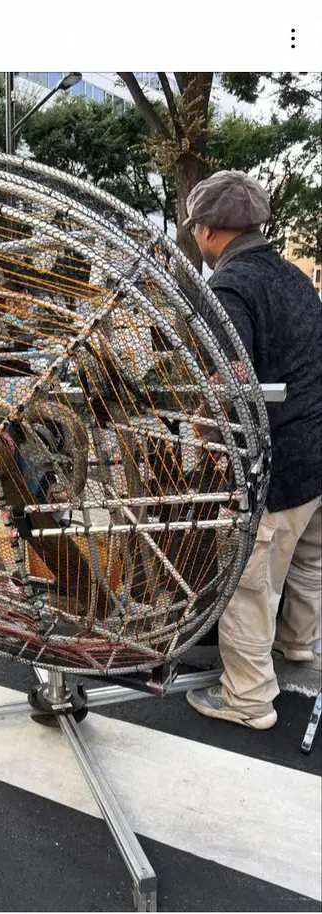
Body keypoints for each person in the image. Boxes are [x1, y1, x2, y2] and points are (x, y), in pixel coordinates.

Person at [183, 170, 322, 729]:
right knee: (308, 561)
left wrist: (204, 437)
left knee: (249, 580)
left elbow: (229, 382)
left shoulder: (230, 286)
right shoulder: (295, 278)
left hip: (277, 464)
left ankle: (248, 699)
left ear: (208, 229)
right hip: (318, 452)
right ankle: (298, 643)